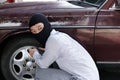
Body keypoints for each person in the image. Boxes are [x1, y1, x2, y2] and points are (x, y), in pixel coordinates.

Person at [28, 13, 100, 80]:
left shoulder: (53, 40)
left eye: (40, 28)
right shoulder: (60, 35)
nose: (38, 33)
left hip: (82, 78)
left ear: (46, 24)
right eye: (34, 31)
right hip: (91, 76)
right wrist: (48, 50)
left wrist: (34, 53)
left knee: (40, 73)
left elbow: (43, 65)